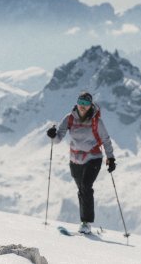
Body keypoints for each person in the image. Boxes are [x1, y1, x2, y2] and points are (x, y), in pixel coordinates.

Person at [46, 92, 116, 234]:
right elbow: (58, 138)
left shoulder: (97, 121)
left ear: (90, 105)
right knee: (81, 190)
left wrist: (111, 158)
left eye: (86, 104)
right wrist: (52, 135)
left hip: (93, 158)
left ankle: (86, 222)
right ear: (77, 103)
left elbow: (106, 140)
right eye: (80, 102)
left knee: (86, 186)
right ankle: (84, 222)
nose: (83, 106)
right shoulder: (70, 118)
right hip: (75, 159)